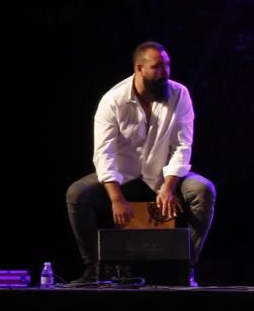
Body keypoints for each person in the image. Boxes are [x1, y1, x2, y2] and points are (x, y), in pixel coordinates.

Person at [65, 42, 216, 284]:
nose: (165, 73)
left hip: (163, 175)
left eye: (167, 66)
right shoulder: (113, 100)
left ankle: (186, 265)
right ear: (139, 68)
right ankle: (95, 268)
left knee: (203, 190)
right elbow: (104, 153)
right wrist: (116, 198)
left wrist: (168, 187)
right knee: (77, 194)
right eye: (157, 67)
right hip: (122, 176)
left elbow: (182, 146)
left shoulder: (179, 94)